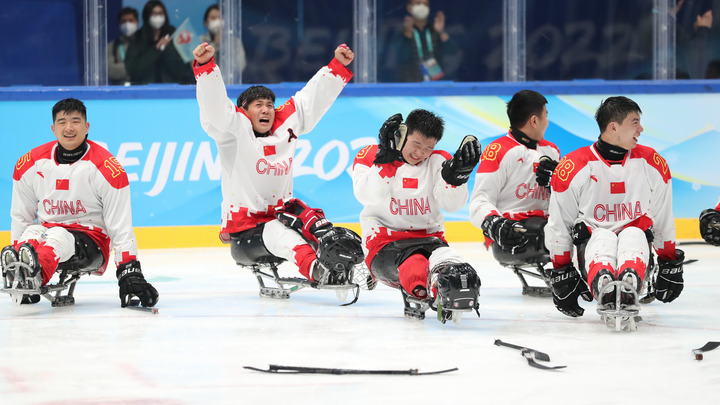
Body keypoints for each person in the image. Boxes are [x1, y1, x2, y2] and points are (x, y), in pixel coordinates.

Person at [192, 41, 364, 288]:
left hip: (283, 218)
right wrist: (206, 67)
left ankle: (359, 267)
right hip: (245, 234)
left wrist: (337, 66)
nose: (266, 110)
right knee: (285, 237)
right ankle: (318, 272)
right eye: (258, 105)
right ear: (244, 111)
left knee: (319, 226)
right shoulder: (233, 133)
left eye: (270, 105)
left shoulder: (285, 128)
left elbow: (310, 100)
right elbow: (216, 108)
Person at [0, 98, 158, 307]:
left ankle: (35, 276)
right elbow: (21, 217)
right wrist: (20, 244)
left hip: (91, 241)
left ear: (86, 126)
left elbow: (120, 225)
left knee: (57, 235)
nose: (69, 128)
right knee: (31, 233)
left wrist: (129, 270)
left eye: (75, 121)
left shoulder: (107, 168)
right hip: (47, 232)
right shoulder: (29, 164)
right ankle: (19, 271)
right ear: (53, 128)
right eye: (62, 122)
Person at [545, 96, 684, 318]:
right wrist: (562, 270)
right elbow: (560, 224)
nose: (641, 129)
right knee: (602, 237)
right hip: (592, 247)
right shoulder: (574, 166)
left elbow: (662, 216)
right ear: (613, 127)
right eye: (635, 122)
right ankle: (605, 281)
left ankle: (628, 280)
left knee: (632, 233)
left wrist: (669, 261)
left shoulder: (652, 162)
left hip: (637, 242)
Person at [351, 109, 481, 322]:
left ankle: (442, 284)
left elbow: (451, 205)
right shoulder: (370, 155)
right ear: (403, 134)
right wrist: (387, 160)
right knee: (415, 267)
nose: (421, 153)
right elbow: (368, 197)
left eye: (429, 147)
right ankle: (430, 287)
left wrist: (457, 179)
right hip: (384, 243)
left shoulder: (440, 161)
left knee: (457, 268)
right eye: (417, 144)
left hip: (431, 241)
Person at [468, 90, 559, 296]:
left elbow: (562, 203)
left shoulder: (552, 151)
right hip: (512, 237)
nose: (547, 121)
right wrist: (494, 223)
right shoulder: (499, 150)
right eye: (546, 115)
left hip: (546, 227)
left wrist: (558, 183)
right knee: (559, 232)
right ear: (534, 121)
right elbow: (479, 201)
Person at [125, 0, 192, 84]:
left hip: (171, 88)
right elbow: (133, 70)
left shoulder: (173, 35)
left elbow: (183, 71)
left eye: (160, 13)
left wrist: (168, 49)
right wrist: (156, 50)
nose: (158, 17)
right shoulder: (137, 38)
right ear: (147, 16)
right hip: (144, 90)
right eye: (154, 13)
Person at [395, 0, 458, 82]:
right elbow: (401, 57)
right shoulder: (402, 31)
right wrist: (407, 35)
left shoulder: (435, 28)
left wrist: (441, 32)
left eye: (425, 4)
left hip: (436, 84)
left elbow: (453, 51)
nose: (422, 7)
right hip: (411, 84)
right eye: (418, 3)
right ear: (409, 8)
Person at [198, 4, 246, 74]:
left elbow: (241, 66)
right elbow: (198, 66)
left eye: (220, 18)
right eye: (213, 18)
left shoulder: (235, 42)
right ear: (205, 22)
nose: (218, 21)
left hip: (229, 84)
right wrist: (215, 44)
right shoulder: (200, 42)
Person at [108, 7, 139, 85]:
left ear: (137, 22)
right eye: (124, 21)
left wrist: (123, 68)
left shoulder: (145, 44)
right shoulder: (111, 47)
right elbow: (111, 71)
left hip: (140, 89)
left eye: (131, 21)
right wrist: (138, 66)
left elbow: (149, 69)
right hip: (119, 89)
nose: (127, 24)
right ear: (119, 24)